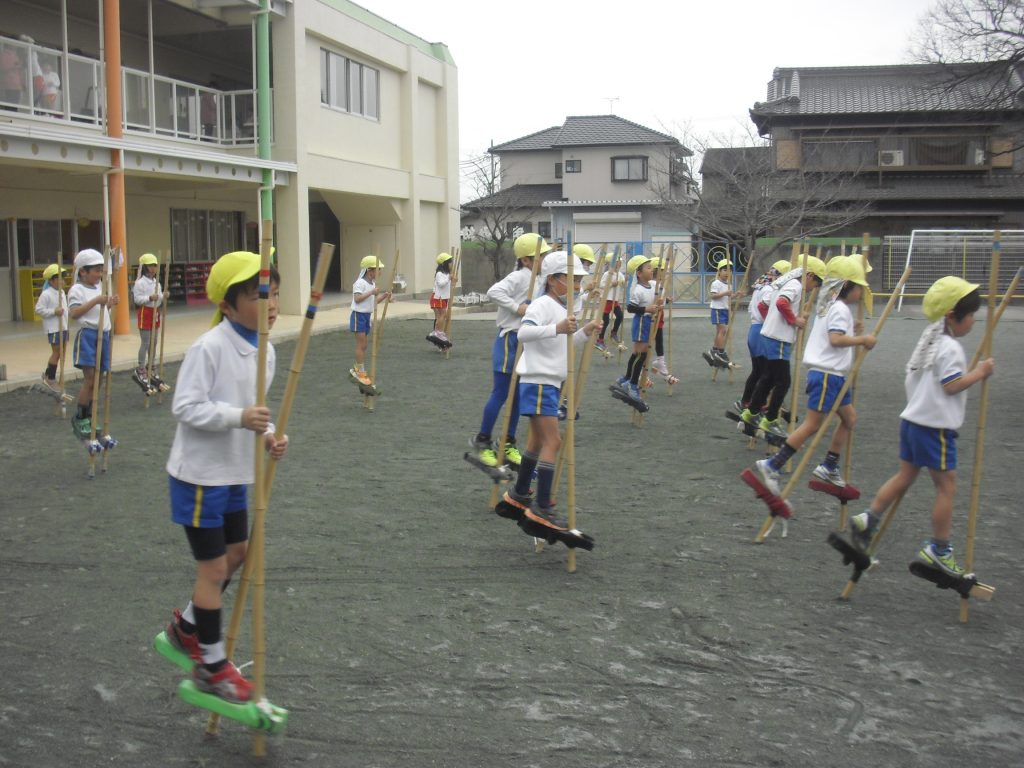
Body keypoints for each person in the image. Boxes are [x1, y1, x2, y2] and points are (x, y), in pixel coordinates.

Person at [161, 250, 288, 704]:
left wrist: (270, 435)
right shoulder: (209, 347)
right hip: (199, 477)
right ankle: (211, 665)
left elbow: (257, 411)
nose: (271, 302)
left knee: (237, 554)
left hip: (237, 472)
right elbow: (186, 407)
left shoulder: (267, 350)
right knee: (213, 568)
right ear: (229, 305)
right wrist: (240, 417)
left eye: (274, 292)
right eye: (259, 295)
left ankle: (186, 627)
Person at [849, 277, 994, 577]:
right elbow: (952, 385)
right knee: (946, 486)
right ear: (952, 316)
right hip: (934, 427)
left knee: (905, 474)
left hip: (912, 421)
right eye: (970, 317)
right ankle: (939, 550)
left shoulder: (929, 339)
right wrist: (979, 373)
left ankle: (869, 518)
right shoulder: (950, 347)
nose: (973, 322)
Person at [751, 256, 876, 495]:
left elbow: (835, 333)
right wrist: (862, 339)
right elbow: (835, 339)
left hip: (835, 374)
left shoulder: (829, 305)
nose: (861, 292)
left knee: (849, 418)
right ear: (847, 286)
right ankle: (773, 464)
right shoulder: (837, 308)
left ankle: (829, 464)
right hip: (826, 373)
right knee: (812, 424)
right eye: (859, 287)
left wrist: (853, 329)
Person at [496, 250, 599, 532]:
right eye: (573, 280)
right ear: (554, 280)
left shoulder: (562, 309)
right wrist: (557, 327)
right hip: (539, 381)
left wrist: (584, 331)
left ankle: (519, 494)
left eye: (579, 281)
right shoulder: (542, 304)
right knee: (553, 442)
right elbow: (524, 333)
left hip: (548, 382)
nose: (578, 286)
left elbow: (563, 344)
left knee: (537, 442)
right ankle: (541, 506)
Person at [468, 232, 550, 468]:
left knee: (517, 396)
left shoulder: (541, 280)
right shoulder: (520, 276)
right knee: (502, 392)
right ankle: (482, 440)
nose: (544, 259)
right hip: (509, 340)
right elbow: (494, 291)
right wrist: (517, 308)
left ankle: (507, 442)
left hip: (527, 342)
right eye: (541, 255)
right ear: (526, 260)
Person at [738, 256, 826, 441]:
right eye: (816, 282)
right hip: (779, 337)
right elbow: (781, 303)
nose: (814, 287)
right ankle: (770, 419)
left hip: (772, 335)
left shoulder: (785, 283)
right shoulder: (795, 285)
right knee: (783, 381)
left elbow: (767, 304)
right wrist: (794, 320)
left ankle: (750, 412)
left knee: (768, 378)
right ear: (809, 275)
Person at [67, 249, 119, 440]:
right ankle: (80, 416)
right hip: (88, 336)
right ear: (83, 272)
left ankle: (90, 413)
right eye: (97, 270)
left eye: (101, 270)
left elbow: (101, 309)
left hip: (103, 336)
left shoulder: (99, 288)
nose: (100, 275)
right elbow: (74, 313)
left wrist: (109, 302)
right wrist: (97, 300)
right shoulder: (77, 290)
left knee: (100, 378)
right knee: (90, 378)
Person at [734, 259, 791, 414]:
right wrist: (773, 324)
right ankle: (754, 403)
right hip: (761, 330)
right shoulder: (769, 289)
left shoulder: (761, 287)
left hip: (756, 329)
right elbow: (762, 307)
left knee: (760, 371)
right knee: (765, 372)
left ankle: (750, 400)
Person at [349, 255, 391, 389]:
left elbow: (373, 302)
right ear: (369, 270)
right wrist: (372, 292)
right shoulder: (360, 283)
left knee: (365, 345)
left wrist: (383, 296)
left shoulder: (372, 284)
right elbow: (357, 299)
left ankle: (357, 367)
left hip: (367, 316)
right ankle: (359, 371)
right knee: (361, 344)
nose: (380, 273)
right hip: (358, 315)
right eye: (378, 270)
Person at [33, 263, 68, 392]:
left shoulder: (62, 292)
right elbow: (38, 309)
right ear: (52, 280)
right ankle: (50, 377)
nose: (63, 281)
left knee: (62, 352)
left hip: (63, 326)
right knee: (57, 352)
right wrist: (54, 311)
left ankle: (48, 374)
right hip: (53, 328)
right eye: (60, 278)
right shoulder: (46, 294)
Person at [132, 253, 164, 391]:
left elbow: (160, 298)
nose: (153, 268)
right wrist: (150, 298)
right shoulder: (140, 283)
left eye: (155, 265)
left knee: (154, 342)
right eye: (151, 266)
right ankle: (140, 368)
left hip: (155, 312)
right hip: (146, 312)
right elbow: (137, 299)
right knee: (146, 342)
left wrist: (162, 297)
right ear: (145, 267)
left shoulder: (157, 283)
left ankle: (151, 365)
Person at [704, 258, 740, 366]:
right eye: (724, 270)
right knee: (722, 330)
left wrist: (735, 295)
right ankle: (720, 352)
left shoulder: (728, 284)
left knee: (722, 331)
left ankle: (714, 351)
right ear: (719, 271)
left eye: (729, 270)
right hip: (717, 309)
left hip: (725, 309)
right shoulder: (716, 283)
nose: (727, 273)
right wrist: (725, 293)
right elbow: (713, 296)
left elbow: (728, 297)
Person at [649, 256, 678, 384]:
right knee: (648, 342)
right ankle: (641, 372)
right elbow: (652, 300)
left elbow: (661, 301)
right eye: (663, 271)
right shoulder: (652, 284)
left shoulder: (661, 285)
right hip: (651, 316)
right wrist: (662, 301)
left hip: (659, 315)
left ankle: (660, 361)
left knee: (659, 339)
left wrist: (666, 300)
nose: (665, 274)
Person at [596, 255, 626, 352]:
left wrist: (624, 281)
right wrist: (611, 284)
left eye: (620, 262)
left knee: (620, 316)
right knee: (606, 321)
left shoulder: (620, 274)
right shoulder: (607, 274)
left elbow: (622, 284)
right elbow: (602, 285)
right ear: (612, 263)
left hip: (615, 300)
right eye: (618, 262)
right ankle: (600, 340)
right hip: (606, 299)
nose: (620, 264)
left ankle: (614, 332)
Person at [427, 252, 453, 348]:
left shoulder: (446, 274)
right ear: (445, 264)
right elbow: (441, 284)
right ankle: (438, 332)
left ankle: (437, 332)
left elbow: (449, 283)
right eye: (450, 263)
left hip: (443, 297)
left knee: (442, 316)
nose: (451, 265)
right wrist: (448, 278)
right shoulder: (439, 274)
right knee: (441, 315)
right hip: (439, 297)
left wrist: (451, 278)